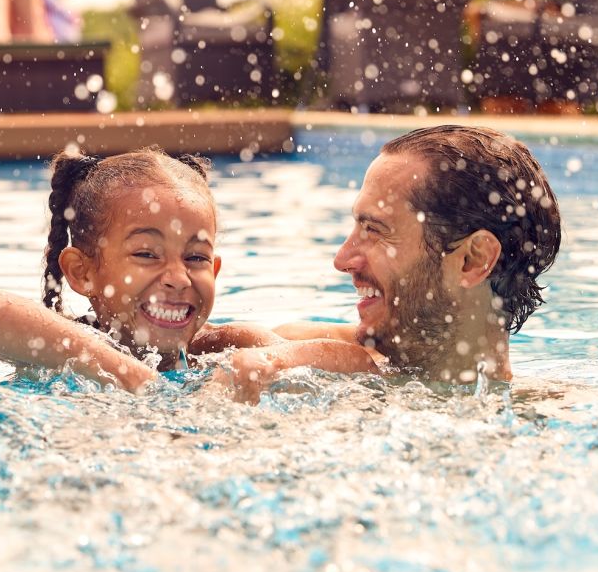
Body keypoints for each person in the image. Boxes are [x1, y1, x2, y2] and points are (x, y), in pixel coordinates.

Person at [220, 124, 561, 401]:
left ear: (472, 260)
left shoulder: (554, 417)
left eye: (375, 230)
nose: (342, 260)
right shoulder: (303, 360)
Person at [0, 147, 278, 391]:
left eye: (196, 258)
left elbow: (326, 350)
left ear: (215, 270)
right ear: (82, 272)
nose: (179, 279)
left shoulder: (224, 346)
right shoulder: (62, 345)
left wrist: (265, 363)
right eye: (147, 254)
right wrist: (131, 375)